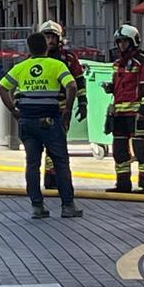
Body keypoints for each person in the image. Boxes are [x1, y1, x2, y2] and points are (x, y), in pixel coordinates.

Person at [0, 32, 83, 220]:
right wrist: (67, 110)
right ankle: (68, 206)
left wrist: (14, 110)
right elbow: (72, 86)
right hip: (50, 121)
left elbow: (2, 88)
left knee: (32, 164)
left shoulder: (21, 67)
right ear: (45, 47)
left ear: (29, 48)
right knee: (61, 163)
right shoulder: (56, 65)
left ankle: (37, 206)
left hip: (27, 121)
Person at [102, 24, 144, 195]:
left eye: (125, 41)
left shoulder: (143, 63)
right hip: (118, 115)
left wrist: (143, 112)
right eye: (119, 42)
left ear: (134, 41)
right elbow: (120, 87)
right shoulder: (117, 64)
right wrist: (110, 88)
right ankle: (123, 184)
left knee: (141, 150)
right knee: (119, 151)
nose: (121, 45)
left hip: (136, 115)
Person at [37, 20, 88, 190]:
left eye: (52, 37)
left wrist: (82, 102)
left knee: (57, 143)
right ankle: (50, 179)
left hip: (60, 108)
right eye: (46, 37)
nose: (50, 41)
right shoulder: (35, 58)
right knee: (39, 147)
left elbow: (79, 81)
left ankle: (54, 179)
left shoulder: (69, 58)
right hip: (39, 108)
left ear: (59, 39)